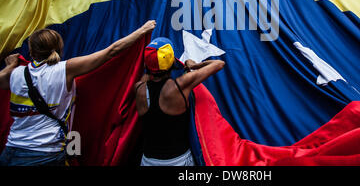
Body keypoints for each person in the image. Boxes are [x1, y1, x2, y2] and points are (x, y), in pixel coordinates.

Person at [0, 20, 156, 166]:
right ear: (60, 48)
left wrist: (10, 65)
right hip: (44, 153)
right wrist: (143, 30)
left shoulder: (16, 73)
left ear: (32, 51)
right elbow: (111, 51)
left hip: (10, 149)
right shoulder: (64, 70)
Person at [135, 36, 225, 166]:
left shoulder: (138, 88)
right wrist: (194, 64)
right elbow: (219, 64)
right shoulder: (180, 86)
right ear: (171, 62)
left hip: (148, 161)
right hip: (179, 161)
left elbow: (148, 74)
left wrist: (152, 63)